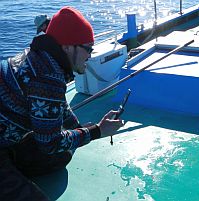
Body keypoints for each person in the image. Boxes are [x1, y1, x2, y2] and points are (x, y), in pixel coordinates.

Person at [0, 6, 123, 201]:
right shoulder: (47, 78)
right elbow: (50, 143)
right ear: (67, 47)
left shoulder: (40, 58)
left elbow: (61, 107)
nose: (90, 55)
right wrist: (97, 131)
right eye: (88, 48)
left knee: (62, 155)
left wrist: (82, 129)